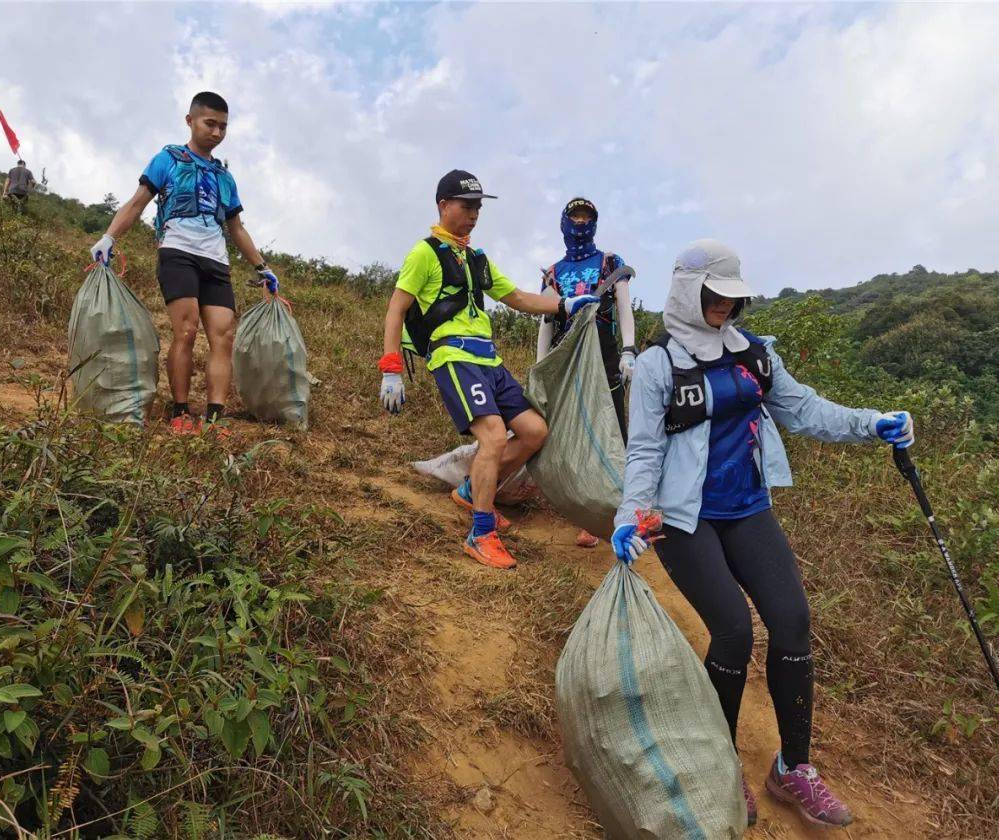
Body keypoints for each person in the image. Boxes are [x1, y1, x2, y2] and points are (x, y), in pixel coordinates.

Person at [611, 239, 915, 829]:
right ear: (687, 291)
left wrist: (871, 424)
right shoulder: (657, 365)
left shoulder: (754, 354)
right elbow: (644, 450)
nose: (725, 308)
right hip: (685, 518)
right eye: (715, 297)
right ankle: (721, 766)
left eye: (732, 298)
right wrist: (629, 516)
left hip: (748, 506)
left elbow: (803, 408)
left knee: (793, 620)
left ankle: (793, 768)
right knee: (731, 630)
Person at [379, 169, 598, 570]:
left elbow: (515, 297)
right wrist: (391, 367)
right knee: (493, 436)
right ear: (443, 205)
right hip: (453, 356)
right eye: (466, 205)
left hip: (489, 359)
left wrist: (566, 304)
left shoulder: (476, 258)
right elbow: (397, 307)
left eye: (478, 206)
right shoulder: (424, 253)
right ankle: (481, 532)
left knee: (534, 431)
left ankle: (470, 489)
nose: (474, 214)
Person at [90, 91, 278, 437]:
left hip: (216, 261)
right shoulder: (168, 159)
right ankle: (180, 411)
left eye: (223, 127)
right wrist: (109, 237)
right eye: (210, 124)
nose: (217, 133)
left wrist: (261, 266)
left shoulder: (225, 178)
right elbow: (137, 203)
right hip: (177, 252)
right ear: (190, 120)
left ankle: (215, 416)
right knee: (187, 330)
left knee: (223, 336)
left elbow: (236, 228)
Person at [537, 197, 637, 548]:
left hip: (606, 356)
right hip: (567, 361)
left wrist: (628, 350)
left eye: (586, 217)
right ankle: (587, 515)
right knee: (575, 430)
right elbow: (547, 321)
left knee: (613, 428)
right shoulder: (554, 272)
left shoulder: (610, 263)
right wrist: (540, 369)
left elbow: (625, 309)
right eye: (575, 216)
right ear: (564, 222)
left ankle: (624, 512)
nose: (581, 222)